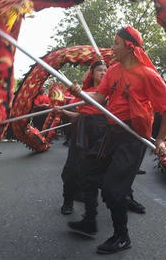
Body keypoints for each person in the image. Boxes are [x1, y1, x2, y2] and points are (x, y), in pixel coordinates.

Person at [67, 26, 166, 255]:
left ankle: (121, 236)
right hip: (112, 131)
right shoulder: (113, 70)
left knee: (113, 189)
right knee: (87, 170)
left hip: (133, 138)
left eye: (116, 43)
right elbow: (99, 97)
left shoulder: (148, 75)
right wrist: (80, 93)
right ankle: (90, 220)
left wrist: (162, 139)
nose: (112, 47)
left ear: (128, 46)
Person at [57, 60, 108, 215]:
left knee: (98, 170)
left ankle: (93, 209)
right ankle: (68, 200)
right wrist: (63, 111)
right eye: (99, 70)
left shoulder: (110, 92)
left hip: (104, 133)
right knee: (73, 167)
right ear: (92, 73)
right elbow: (80, 115)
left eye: (106, 70)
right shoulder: (83, 91)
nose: (103, 72)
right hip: (83, 131)